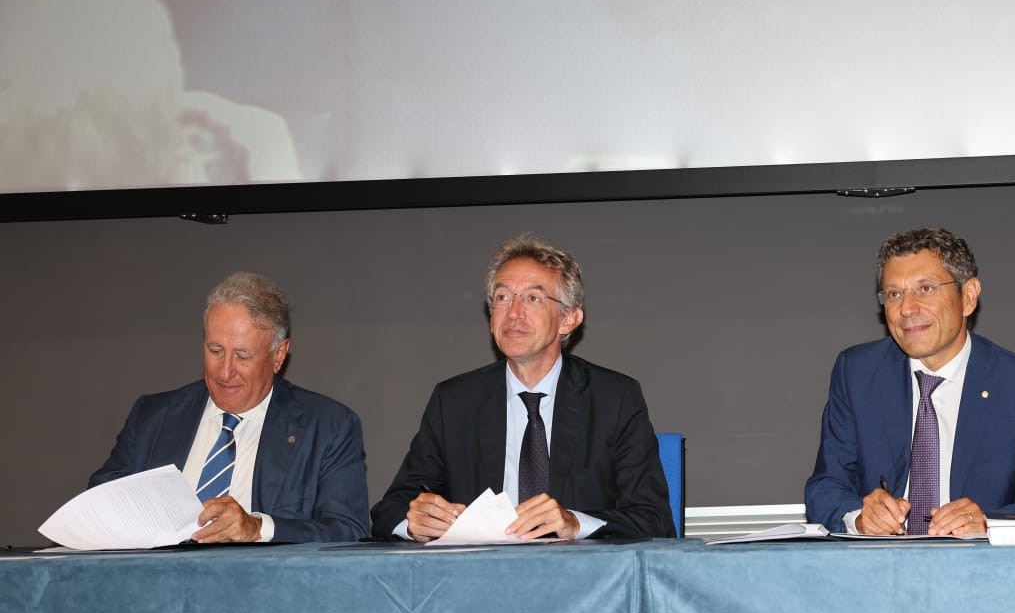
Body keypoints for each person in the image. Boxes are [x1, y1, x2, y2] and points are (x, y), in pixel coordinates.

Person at [372, 234, 675, 541]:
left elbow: (653, 519)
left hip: (583, 579)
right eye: (503, 298)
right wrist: (415, 523)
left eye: (533, 298)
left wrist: (574, 523)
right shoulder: (454, 402)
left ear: (568, 319)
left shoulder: (614, 399)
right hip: (479, 576)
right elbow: (390, 510)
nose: (514, 313)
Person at [804, 227, 1015, 535]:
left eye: (926, 289)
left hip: (983, 570)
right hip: (878, 565)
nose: (906, 309)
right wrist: (860, 519)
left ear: (968, 296)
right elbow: (825, 488)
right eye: (894, 294)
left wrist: (989, 521)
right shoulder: (857, 373)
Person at [90, 272, 369, 542]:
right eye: (215, 351)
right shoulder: (153, 417)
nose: (225, 372)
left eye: (242, 356)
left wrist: (258, 528)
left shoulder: (327, 426)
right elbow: (99, 503)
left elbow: (347, 530)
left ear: (279, 355)